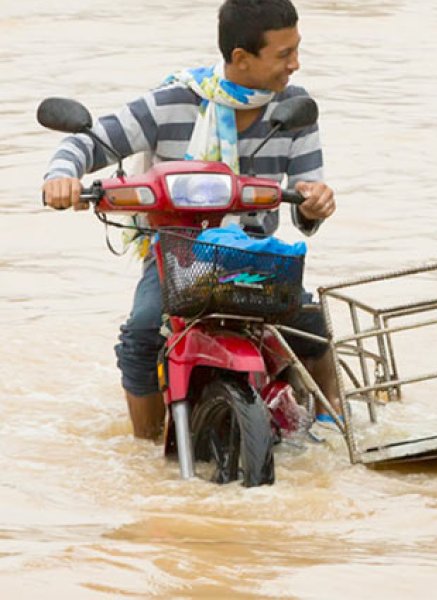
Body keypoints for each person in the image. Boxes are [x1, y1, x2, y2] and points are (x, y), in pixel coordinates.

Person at [41, 0, 339, 440]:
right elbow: (86, 145)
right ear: (241, 58)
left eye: (296, 50)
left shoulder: (295, 110)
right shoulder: (170, 103)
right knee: (142, 336)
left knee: (313, 324)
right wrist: (61, 178)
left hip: (254, 254)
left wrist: (315, 202)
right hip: (175, 255)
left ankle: (336, 425)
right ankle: (146, 445)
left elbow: (307, 195)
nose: (294, 64)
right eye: (283, 54)